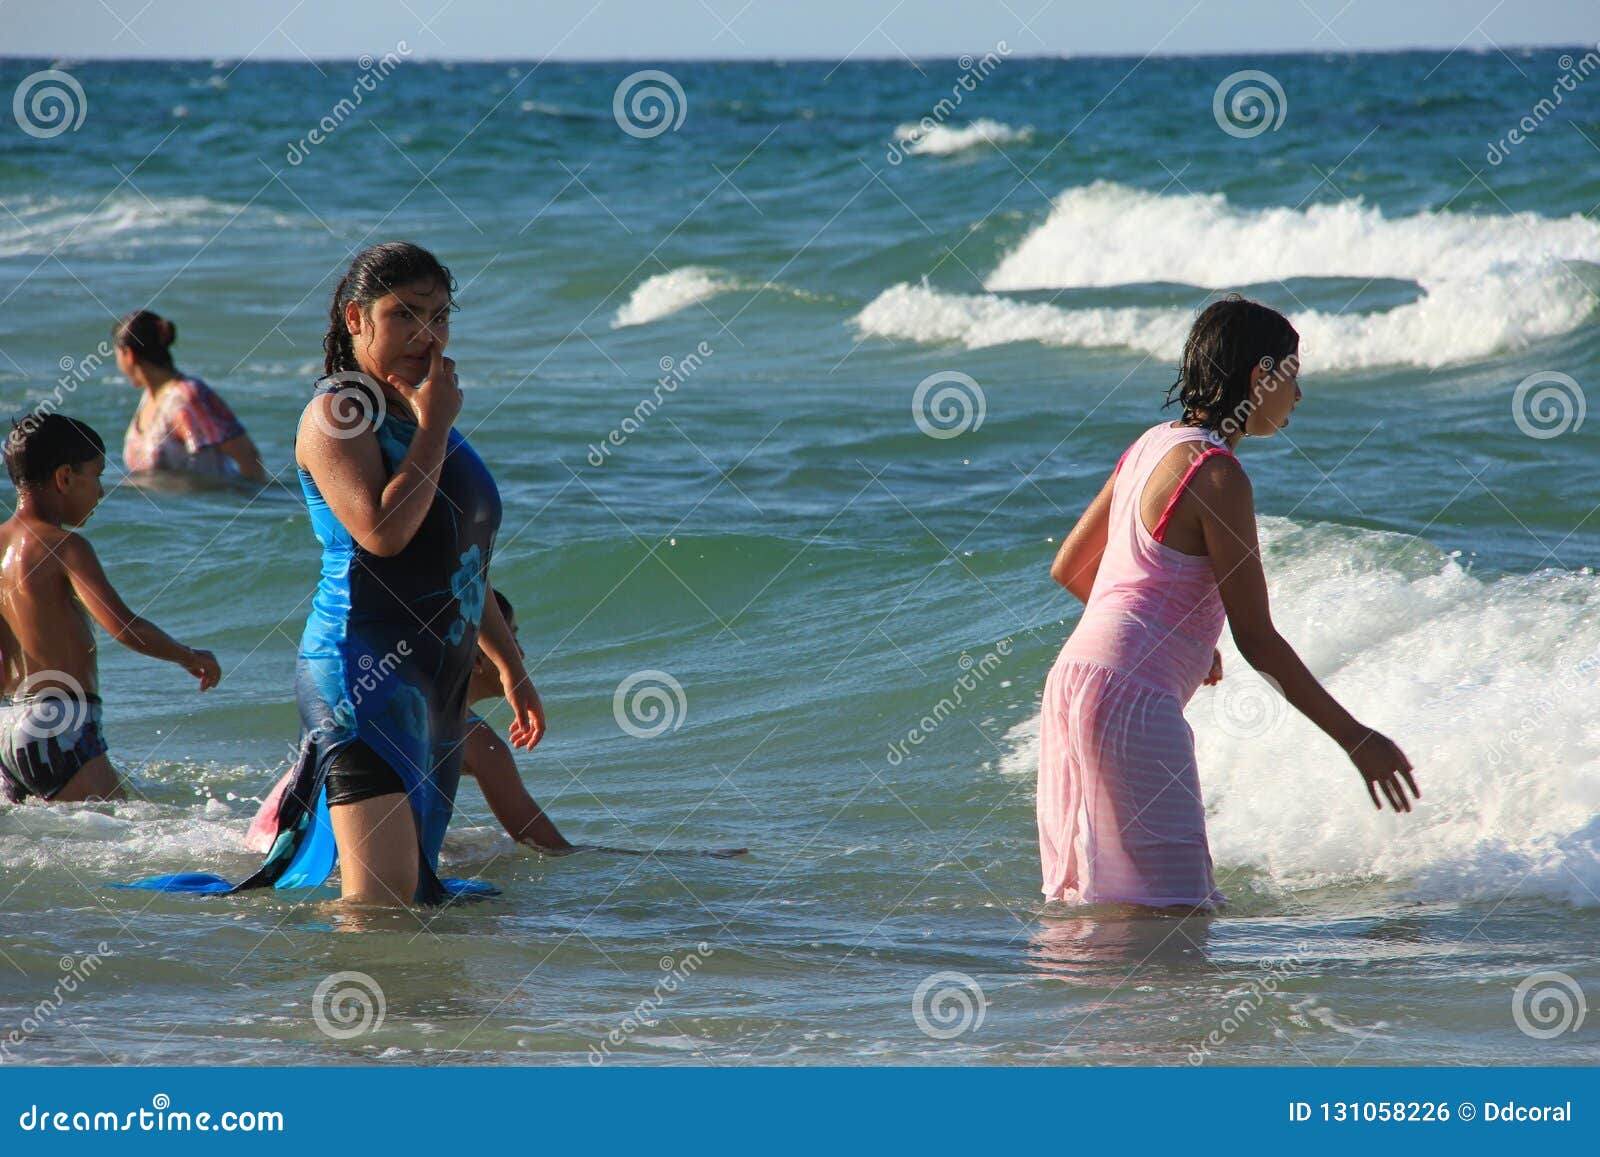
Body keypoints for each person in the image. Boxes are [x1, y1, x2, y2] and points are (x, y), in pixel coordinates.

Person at [1038, 295, 1419, 914]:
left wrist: (1174, 637)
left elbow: (1071, 567)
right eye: (1292, 376)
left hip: (1073, 681)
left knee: (1111, 906)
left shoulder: (1151, 445)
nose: (1298, 396)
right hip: (1130, 700)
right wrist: (1354, 738)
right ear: (1259, 377)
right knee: (1177, 912)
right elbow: (1258, 639)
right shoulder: (1218, 475)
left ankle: (1090, 1008)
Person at [244, 588, 572, 854]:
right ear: (475, 656)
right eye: (510, 639)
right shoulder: (476, 740)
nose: (520, 653)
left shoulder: (392, 701)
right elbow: (539, 838)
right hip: (308, 853)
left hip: (270, 836)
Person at [0, 413, 220, 804]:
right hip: (61, 722)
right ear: (65, 477)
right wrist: (188, 656)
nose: (101, 492)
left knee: (61, 849)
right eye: (97, 475)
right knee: (131, 839)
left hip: (9, 727)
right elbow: (124, 627)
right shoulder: (65, 546)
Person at [114, 310, 267, 482]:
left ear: (128, 355)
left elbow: (248, 457)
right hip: (160, 507)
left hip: (201, 506)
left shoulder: (187, 398)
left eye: (116, 355)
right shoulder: (150, 397)